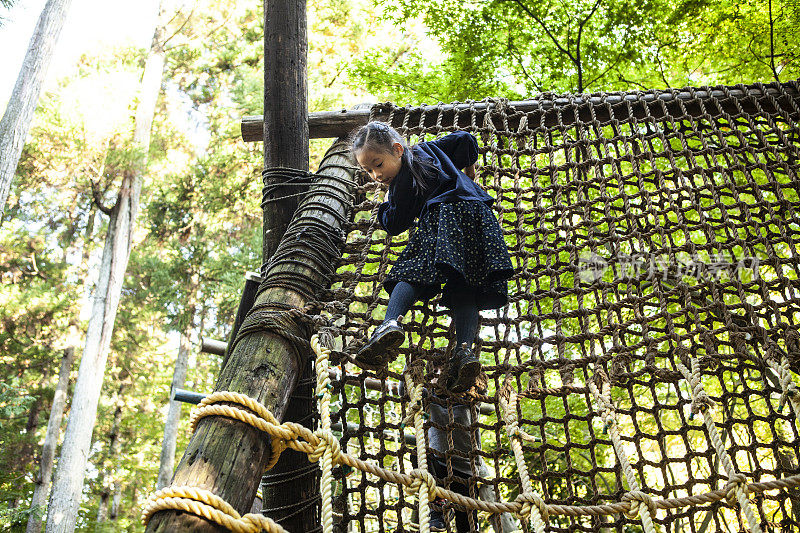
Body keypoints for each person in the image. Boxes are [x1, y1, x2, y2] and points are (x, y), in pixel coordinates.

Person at [350, 121, 513, 392]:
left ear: (398, 150)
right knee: (466, 286)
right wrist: (469, 176)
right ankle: (464, 351)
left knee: (410, 271)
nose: (375, 175)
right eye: (367, 170)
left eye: (378, 164)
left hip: (444, 216)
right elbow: (466, 141)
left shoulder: (401, 184)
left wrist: (384, 206)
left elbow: (395, 223)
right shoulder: (431, 149)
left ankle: (389, 323)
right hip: (480, 216)